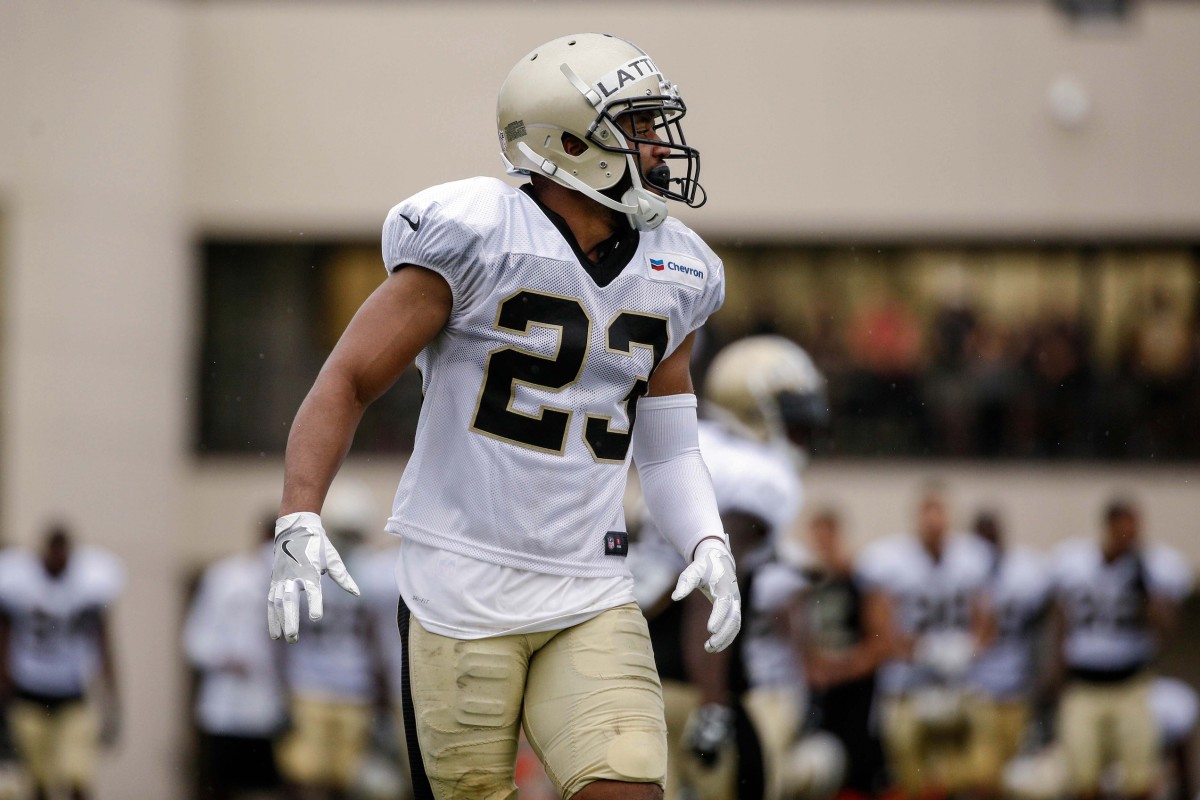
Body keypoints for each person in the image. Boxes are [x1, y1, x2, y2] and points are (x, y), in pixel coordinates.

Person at [266, 33, 740, 800]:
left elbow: (669, 447)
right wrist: (298, 514)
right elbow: (348, 380)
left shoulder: (678, 268)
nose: (660, 146)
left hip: (592, 586)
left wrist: (706, 538)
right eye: (641, 126)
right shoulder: (476, 232)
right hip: (460, 588)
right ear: (571, 139)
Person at [631, 335, 828, 800]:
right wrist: (714, 703)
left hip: (639, 671)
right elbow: (715, 584)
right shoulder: (758, 476)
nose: (802, 439)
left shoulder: (694, 445)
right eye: (797, 426)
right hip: (695, 684)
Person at [1049, 498, 1193, 800]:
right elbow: (1062, 622)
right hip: (1084, 685)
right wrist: (1056, 676)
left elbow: (1167, 631)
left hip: (1131, 685)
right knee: (1082, 779)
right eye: (1124, 528)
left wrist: (1143, 586)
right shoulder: (1075, 562)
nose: (1130, 536)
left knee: (1139, 779)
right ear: (1109, 527)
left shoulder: (1152, 568)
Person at [856, 488, 993, 800]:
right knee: (910, 777)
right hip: (906, 686)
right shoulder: (889, 559)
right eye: (928, 516)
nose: (934, 525)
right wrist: (921, 651)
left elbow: (987, 621)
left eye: (940, 515)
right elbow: (877, 628)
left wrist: (968, 648)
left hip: (959, 685)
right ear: (917, 520)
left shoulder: (972, 557)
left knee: (968, 775)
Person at [276, 482, 391, 800]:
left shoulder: (308, 566)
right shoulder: (368, 570)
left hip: (348, 686)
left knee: (346, 776)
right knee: (308, 773)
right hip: (314, 685)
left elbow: (373, 634)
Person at [0, 524, 123, 800]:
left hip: (72, 693)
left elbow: (104, 643)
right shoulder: (18, 583)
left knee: (77, 776)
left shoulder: (90, 585)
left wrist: (112, 700)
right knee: (35, 779)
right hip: (28, 691)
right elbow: (5, 637)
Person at [184, 515, 287, 800]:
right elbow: (195, 639)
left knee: (263, 787)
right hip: (224, 708)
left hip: (267, 708)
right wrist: (224, 659)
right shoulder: (224, 577)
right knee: (220, 783)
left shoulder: (294, 587)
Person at [800, 508, 889, 800]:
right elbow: (801, 639)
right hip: (824, 687)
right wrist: (814, 668)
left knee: (858, 762)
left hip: (855, 685)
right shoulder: (809, 584)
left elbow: (879, 640)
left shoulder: (860, 581)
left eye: (828, 538)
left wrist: (845, 668)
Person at [964, 510, 1051, 799]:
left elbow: (1042, 620)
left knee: (1014, 776)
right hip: (976, 687)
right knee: (981, 775)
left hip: (1016, 685)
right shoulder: (961, 572)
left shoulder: (1025, 569)